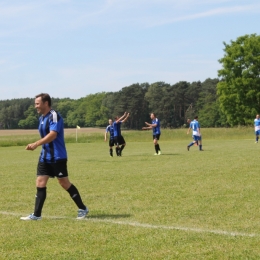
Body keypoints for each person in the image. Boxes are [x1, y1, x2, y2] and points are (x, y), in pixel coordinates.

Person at [20, 93, 88, 221]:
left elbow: (53, 135)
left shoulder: (54, 116)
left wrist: (36, 144)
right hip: (44, 157)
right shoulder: (41, 118)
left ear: (46, 103)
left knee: (64, 183)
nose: (36, 106)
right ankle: (36, 215)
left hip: (57, 156)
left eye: (37, 103)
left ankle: (83, 208)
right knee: (40, 182)